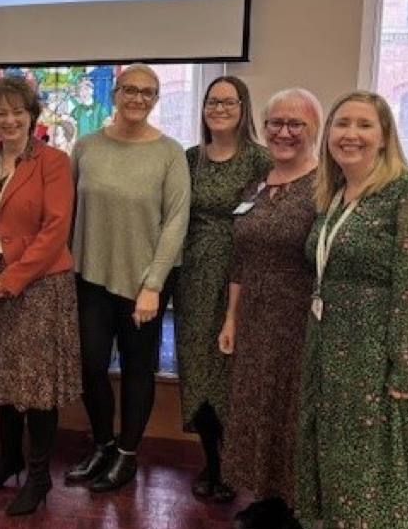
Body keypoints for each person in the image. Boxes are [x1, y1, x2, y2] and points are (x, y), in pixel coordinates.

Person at [0, 76, 81, 515]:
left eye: (17, 112)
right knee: (2, 377)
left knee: (36, 384)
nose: (8, 120)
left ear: (32, 116)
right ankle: (7, 459)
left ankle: (40, 474)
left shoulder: (52, 162)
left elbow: (54, 231)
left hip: (39, 284)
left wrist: (10, 280)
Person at [65, 63, 190, 492]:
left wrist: (153, 286)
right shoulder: (85, 147)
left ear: (156, 100)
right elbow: (67, 212)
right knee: (90, 365)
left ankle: (127, 454)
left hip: (145, 284)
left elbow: (176, 221)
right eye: (130, 90)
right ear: (115, 94)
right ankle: (102, 443)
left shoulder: (170, 153)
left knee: (139, 368)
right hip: (91, 276)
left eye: (148, 92)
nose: (138, 98)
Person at [295, 90, 408, 527]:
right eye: (342, 124)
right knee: (329, 451)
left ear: (384, 137)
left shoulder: (402, 193)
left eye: (364, 125)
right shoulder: (336, 194)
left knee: (370, 464)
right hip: (326, 344)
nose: (351, 134)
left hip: (373, 352)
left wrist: (402, 366)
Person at [217, 88, 321, 513]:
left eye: (295, 123)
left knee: (293, 406)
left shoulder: (326, 184)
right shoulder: (257, 183)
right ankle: (268, 493)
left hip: (300, 314)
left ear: (314, 129)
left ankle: (297, 503)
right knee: (258, 405)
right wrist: (231, 319)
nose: (283, 132)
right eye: (275, 122)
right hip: (255, 313)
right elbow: (241, 258)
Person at [172, 76, 271, 503]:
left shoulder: (261, 160)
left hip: (242, 278)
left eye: (229, 102)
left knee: (233, 372)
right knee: (198, 368)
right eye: (213, 101)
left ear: (244, 108)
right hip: (193, 276)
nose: (219, 108)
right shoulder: (189, 159)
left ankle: (234, 466)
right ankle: (210, 463)